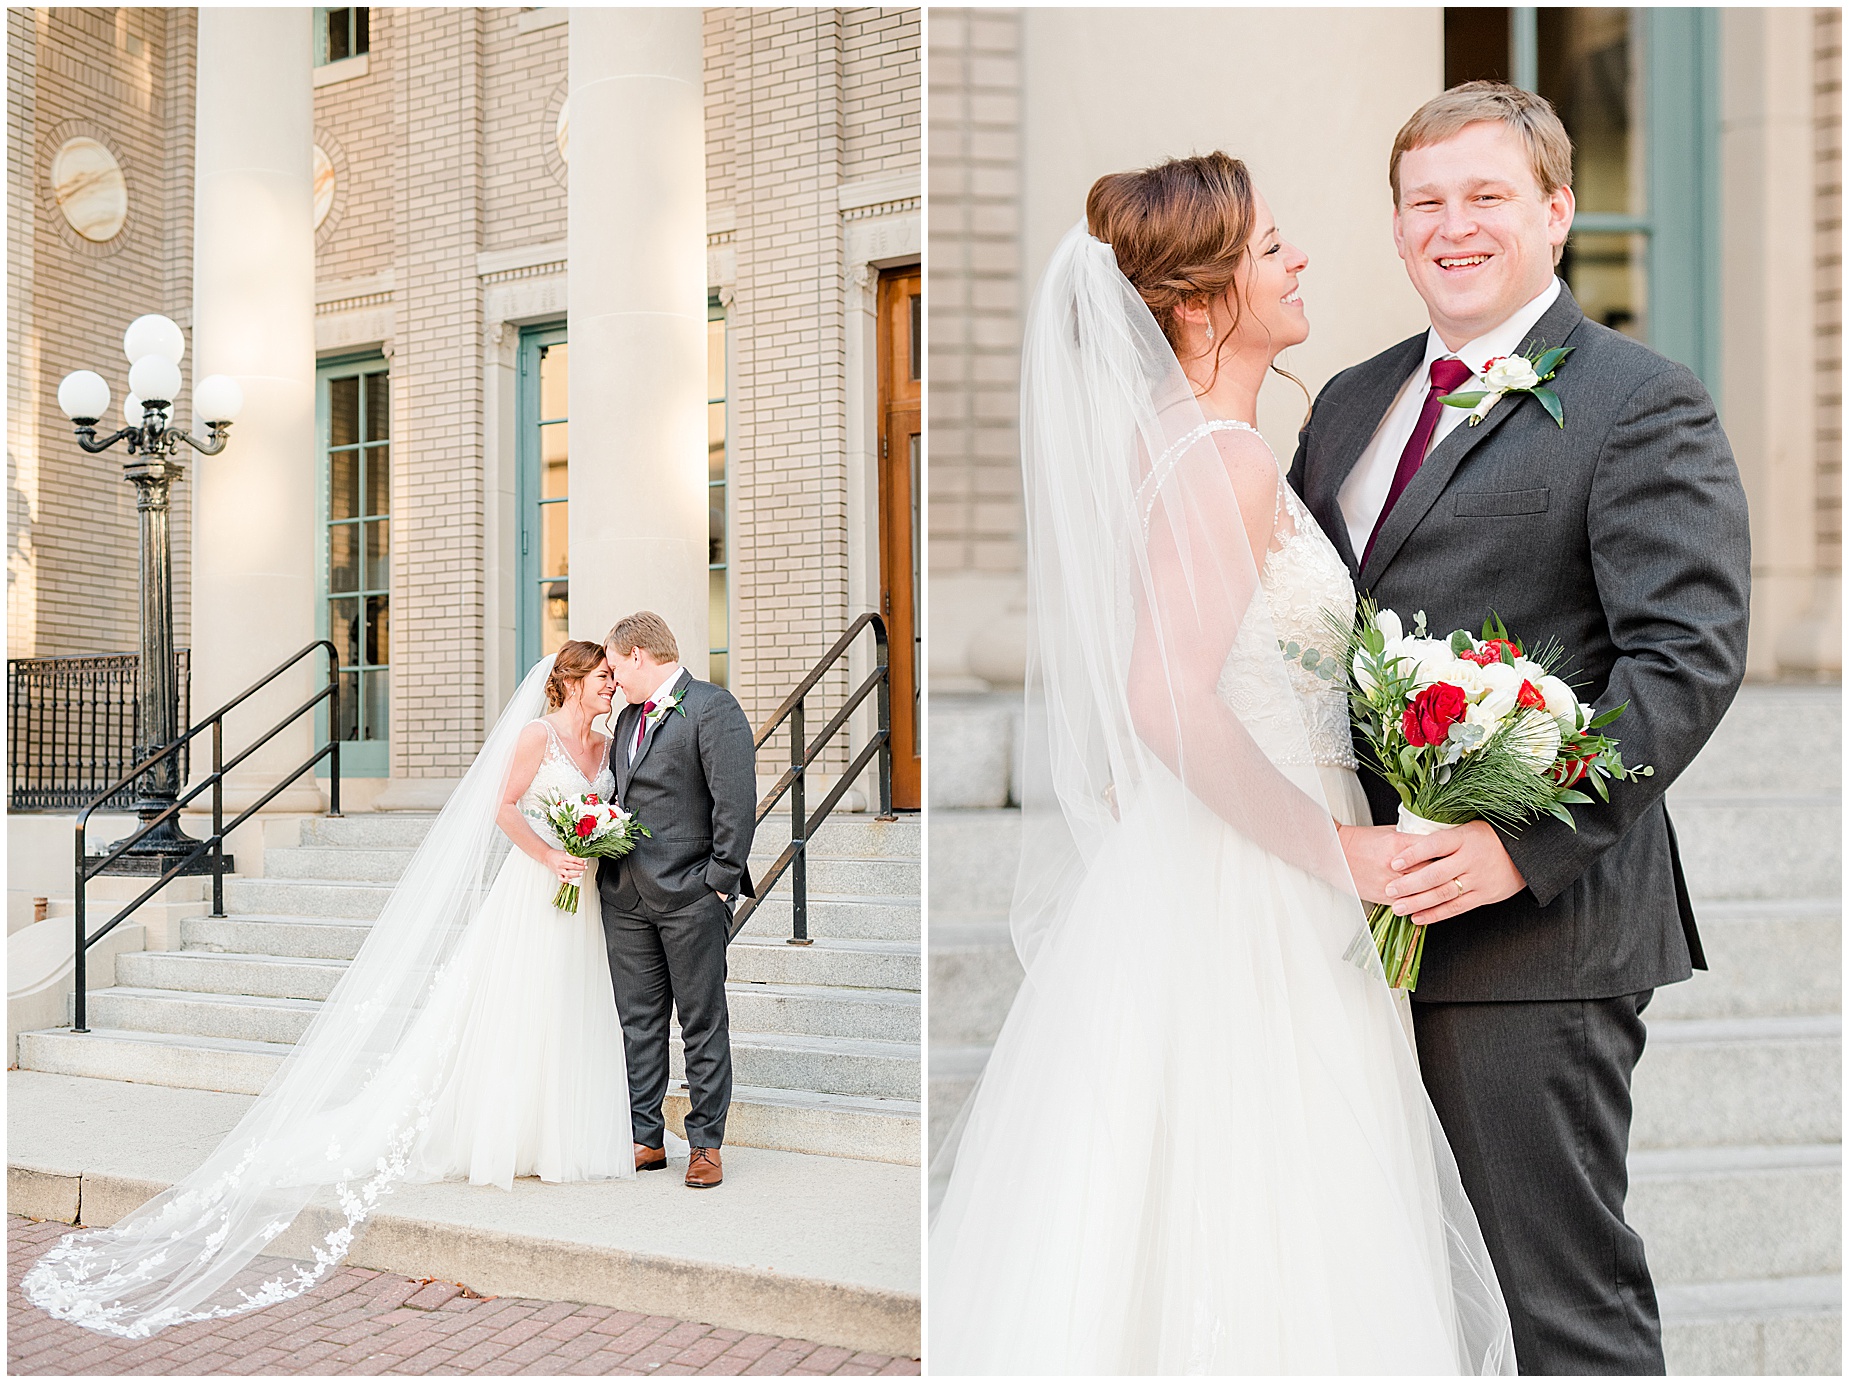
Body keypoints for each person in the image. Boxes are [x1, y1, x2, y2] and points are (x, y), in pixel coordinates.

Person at [927, 152, 1514, 1374]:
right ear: (1196, 303)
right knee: (1277, 1221)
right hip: (1259, 890)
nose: (1297, 259)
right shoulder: (1226, 462)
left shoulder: (1178, 445)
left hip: (1211, 865)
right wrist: (1338, 849)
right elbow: (1163, 697)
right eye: (1268, 248)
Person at [1294, 83, 1751, 1375]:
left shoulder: (1637, 399)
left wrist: (1515, 844)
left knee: (1559, 1310)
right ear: (1393, 225)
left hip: (1536, 937)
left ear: (1555, 210)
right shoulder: (1345, 401)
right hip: (1344, 928)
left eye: (1486, 195)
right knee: (1398, 1301)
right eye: (1425, 201)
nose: (1453, 226)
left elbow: (1682, 660)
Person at [25, 641, 642, 1338]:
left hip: (582, 899)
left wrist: (595, 844)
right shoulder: (536, 735)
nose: (611, 689)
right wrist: (552, 853)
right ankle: (504, 1133)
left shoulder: (608, 738)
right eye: (602, 679)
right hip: (535, 889)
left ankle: (557, 1133)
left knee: (567, 1011)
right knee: (516, 1010)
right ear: (567, 682)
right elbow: (503, 808)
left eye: (613, 681)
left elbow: (602, 810)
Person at [599, 611, 758, 1191]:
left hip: (691, 894)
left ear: (638, 655)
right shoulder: (623, 721)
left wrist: (718, 880)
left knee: (701, 1022)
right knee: (639, 1023)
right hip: (625, 897)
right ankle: (646, 1138)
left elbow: (735, 802)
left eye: (614, 667)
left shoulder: (713, 708)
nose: (611, 681)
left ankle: (706, 1145)